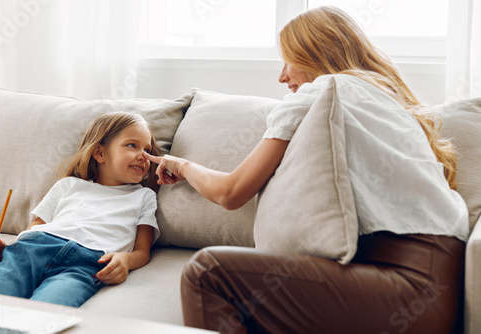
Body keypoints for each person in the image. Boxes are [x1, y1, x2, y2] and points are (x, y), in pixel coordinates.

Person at [146, 6, 469, 334]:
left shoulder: (325, 88)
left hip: (405, 286)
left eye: (288, 59)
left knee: (208, 272)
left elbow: (231, 193)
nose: (282, 76)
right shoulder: (382, 97)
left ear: (318, 54)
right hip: (434, 285)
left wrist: (183, 165)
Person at [0, 112, 160, 307]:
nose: (144, 156)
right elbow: (35, 227)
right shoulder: (68, 185)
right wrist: (3, 251)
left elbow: (142, 251)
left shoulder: (144, 196)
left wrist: (125, 260)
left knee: (47, 313)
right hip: (34, 248)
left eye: (148, 149)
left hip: (86, 264)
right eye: (132, 145)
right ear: (100, 153)